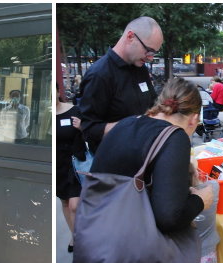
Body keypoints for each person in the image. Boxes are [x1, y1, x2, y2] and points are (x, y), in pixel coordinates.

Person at [80, 77, 215, 261]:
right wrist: (200, 200)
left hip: (93, 239)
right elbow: (168, 217)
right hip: (129, 251)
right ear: (194, 119)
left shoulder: (124, 124)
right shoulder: (174, 137)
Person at [79, 16, 163, 153]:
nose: (150, 58)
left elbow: (153, 105)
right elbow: (88, 128)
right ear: (130, 37)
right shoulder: (99, 75)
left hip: (143, 155)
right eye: (148, 50)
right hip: (114, 165)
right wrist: (131, 125)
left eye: (154, 52)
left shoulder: (140, 69)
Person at [56, 91, 85, 253]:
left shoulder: (75, 110)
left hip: (75, 163)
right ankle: (74, 235)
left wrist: (82, 127)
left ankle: (81, 238)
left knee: (75, 204)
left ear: (58, 92)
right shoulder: (47, 115)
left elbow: (89, 133)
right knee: (65, 202)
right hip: (58, 165)